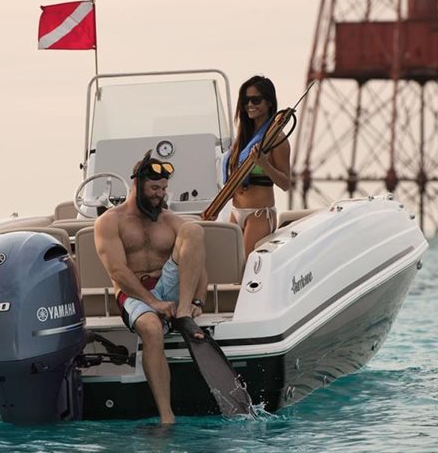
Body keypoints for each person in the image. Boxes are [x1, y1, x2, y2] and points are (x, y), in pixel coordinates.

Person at [94, 150, 208, 425]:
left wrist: (198, 302)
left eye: (164, 189)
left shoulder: (168, 219)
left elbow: (197, 262)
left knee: (194, 230)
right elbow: (117, 271)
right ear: (137, 184)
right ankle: (167, 417)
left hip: (168, 285)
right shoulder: (110, 221)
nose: (161, 194)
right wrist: (153, 303)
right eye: (155, 188)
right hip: (133, 291)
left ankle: (183, 315)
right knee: (151, 328)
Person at [222, 75, 291, 255]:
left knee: (245, 264)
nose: (249, 105)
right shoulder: (243, 137)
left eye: (256, 100)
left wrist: (264, 164)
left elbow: (286, 184)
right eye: (245, 100)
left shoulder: (277, 139)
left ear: (269, 102)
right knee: (230, 263)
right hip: (236, 211)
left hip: (259, 213)